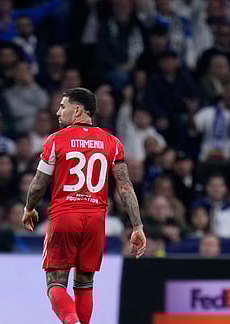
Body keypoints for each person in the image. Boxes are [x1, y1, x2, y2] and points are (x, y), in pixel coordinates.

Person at [21, 88, 147, 324]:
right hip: (95, 220)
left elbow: (39, 183)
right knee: (85, 282)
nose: (58, 112)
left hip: (65, 215)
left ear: (77, 109)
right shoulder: (112, 142)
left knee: (55, 283)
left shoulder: (56, 140)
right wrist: (137, 226)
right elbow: (125, 187)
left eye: (62, 106)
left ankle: (72, 321)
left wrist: (29, 208)